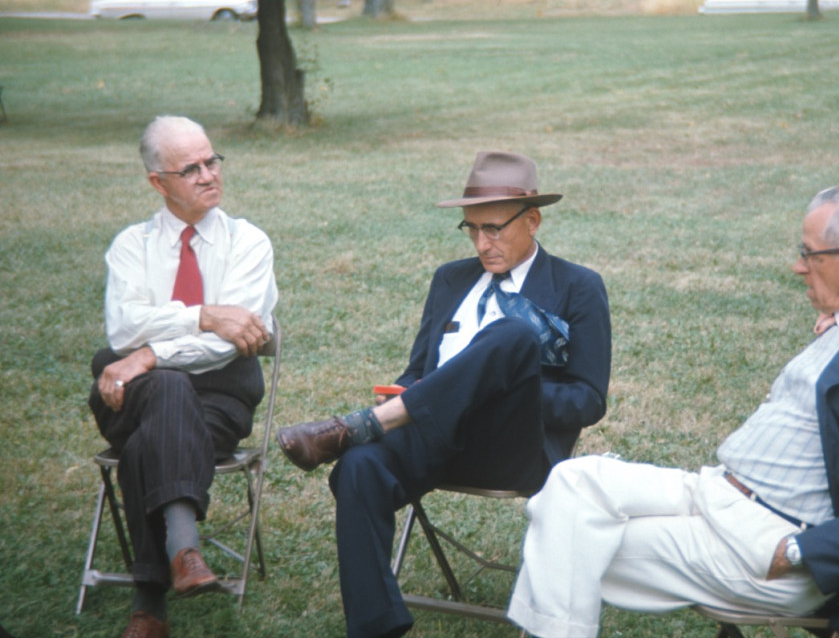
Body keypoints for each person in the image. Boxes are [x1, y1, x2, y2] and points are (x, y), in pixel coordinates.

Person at [506, 185, 839, 638]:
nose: (797, 266)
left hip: (766, 539)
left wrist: (796, 551)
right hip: (716, 493)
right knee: (571, 481)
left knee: (564, 540)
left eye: (809, 254)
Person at [276, 151, 612, 638]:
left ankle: (360, 427)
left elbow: (587, 399)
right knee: (358, 467)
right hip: (432, 437)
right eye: (471, 229)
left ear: (533, 219)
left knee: (513, 335)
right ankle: (377, 627)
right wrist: (412, 393)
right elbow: (418, 372)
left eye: (494, 228)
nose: (482, 242)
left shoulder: (577, 286)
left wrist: (499, 391)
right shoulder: (450, 280)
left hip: (512, 447)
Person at [88, 116, 278, 638]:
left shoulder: (248, 243)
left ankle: (149, 604)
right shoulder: (133, 245)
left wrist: (146, 357)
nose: (207, 175)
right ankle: (184, 549)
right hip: (127, 396)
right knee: (167, 393)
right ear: (158, 182)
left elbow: (228, 342)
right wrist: (203, 314)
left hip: (217, 400)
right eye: (189, 168)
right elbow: (123, 325)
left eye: (212, 161)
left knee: (154, 426)